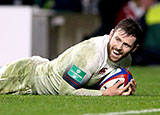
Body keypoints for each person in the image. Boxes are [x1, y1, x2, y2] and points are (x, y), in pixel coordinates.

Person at [0, 18, 142, 96]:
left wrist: (122, 86)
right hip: (24, 77)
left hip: (38, 73)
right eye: (117, 39)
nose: (119, 47)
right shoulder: (90, 54)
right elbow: (66, 91)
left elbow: (97, 81)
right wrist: (104, 93)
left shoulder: (126, 60)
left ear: (134, 49)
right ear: (111, 34)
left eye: (126, 45)